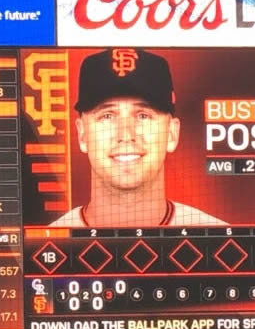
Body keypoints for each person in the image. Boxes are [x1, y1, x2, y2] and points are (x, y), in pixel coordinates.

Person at [50, 48, 227, 229]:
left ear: (172, 134)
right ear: (82, 135)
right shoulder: (46, 242)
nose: (126, 135)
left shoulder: (219, 238)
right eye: (107, 116)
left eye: (143, 116)